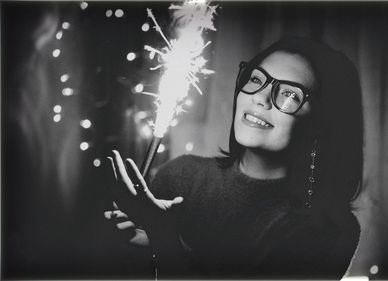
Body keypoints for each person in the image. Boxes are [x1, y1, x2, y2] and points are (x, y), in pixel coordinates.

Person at [104, 37, 363, 279]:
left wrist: (167, 243)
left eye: (290, 94)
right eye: (256, 79)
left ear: (321, 122)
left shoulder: (330, 230)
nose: (260, 98)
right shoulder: (178, 176)